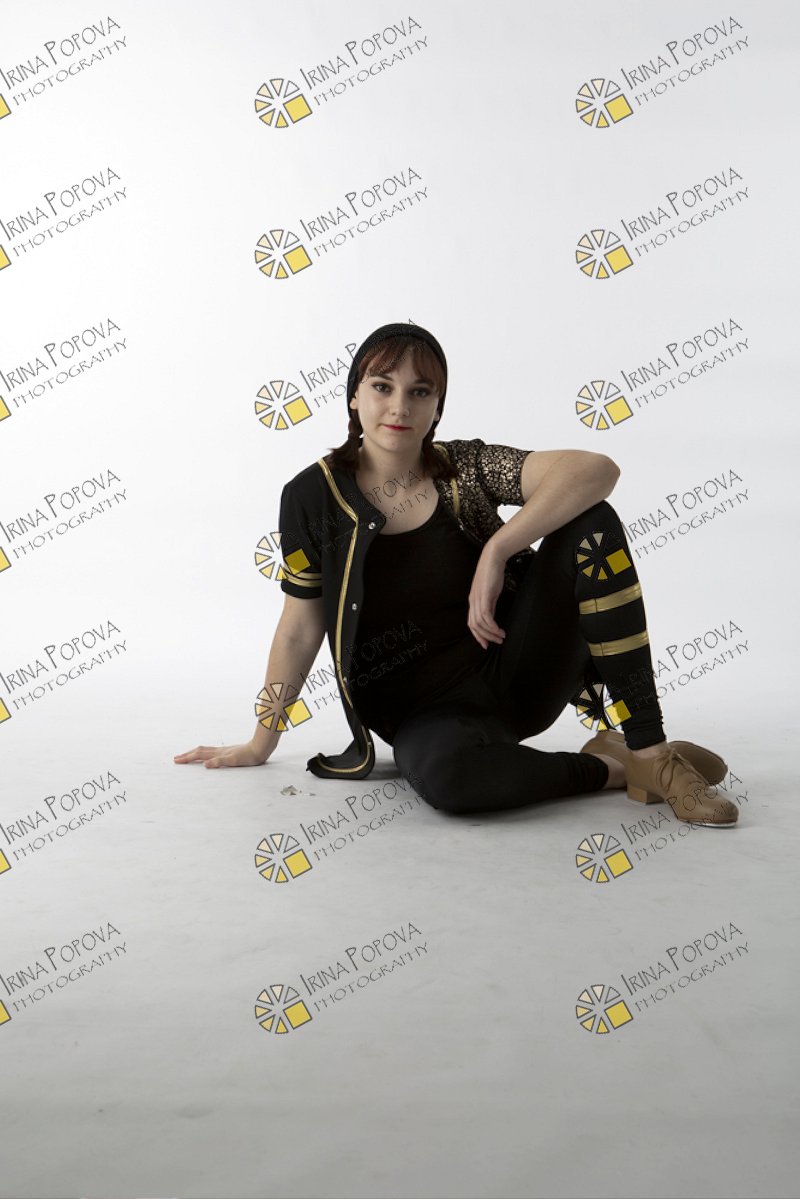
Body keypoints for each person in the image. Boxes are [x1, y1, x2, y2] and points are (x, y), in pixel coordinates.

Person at [175, 322, 738, 827]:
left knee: (592, 524)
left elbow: (596, 470)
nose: (400, 406)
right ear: (353, 397)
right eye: (382, 386)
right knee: (453, 783)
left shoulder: (461, 469)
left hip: (517, 674)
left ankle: (649, 749)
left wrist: (498, 549)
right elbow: (299, 628)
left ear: (437, 407)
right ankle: (613, 769)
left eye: (420, 392)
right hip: (422, 717)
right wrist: (261, 740)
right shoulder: (311, 497)